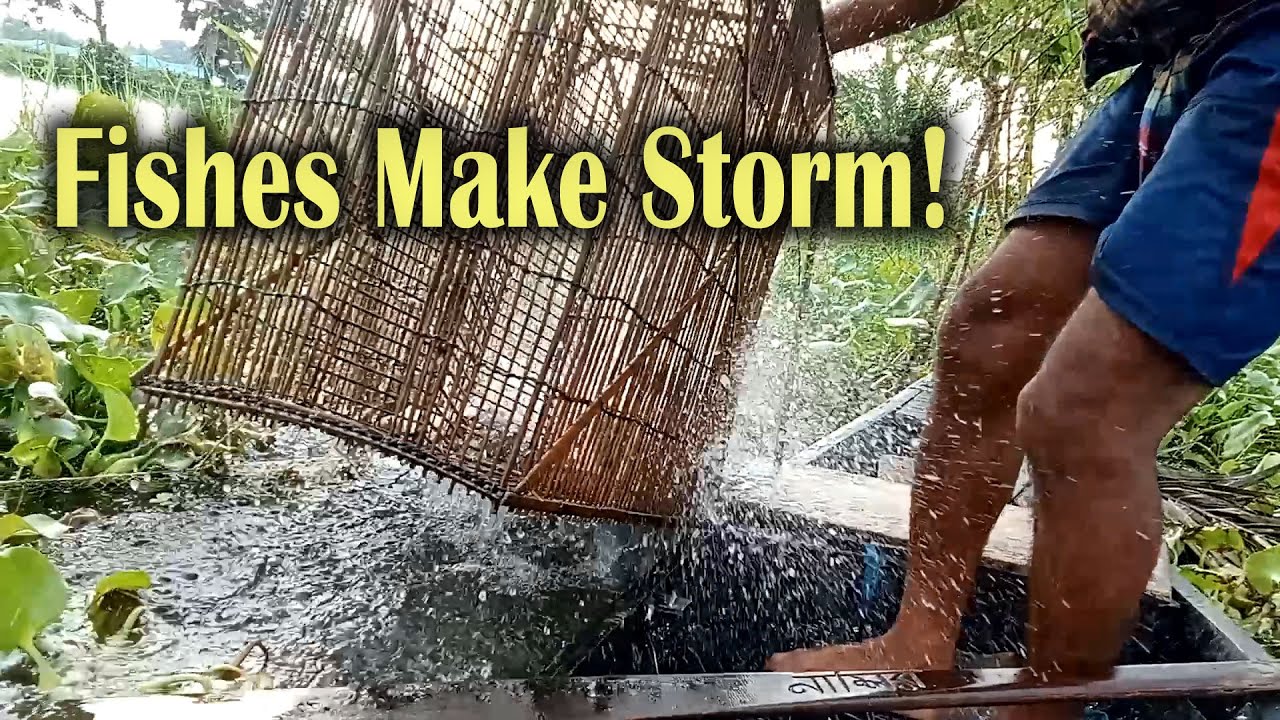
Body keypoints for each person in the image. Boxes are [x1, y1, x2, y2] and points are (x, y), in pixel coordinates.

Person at [767, 0, 1280, 718]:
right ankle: (918, 642)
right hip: (1182, 47)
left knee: (1082, 413)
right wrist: (809, 35)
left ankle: (1043, 711)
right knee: (990, 329)